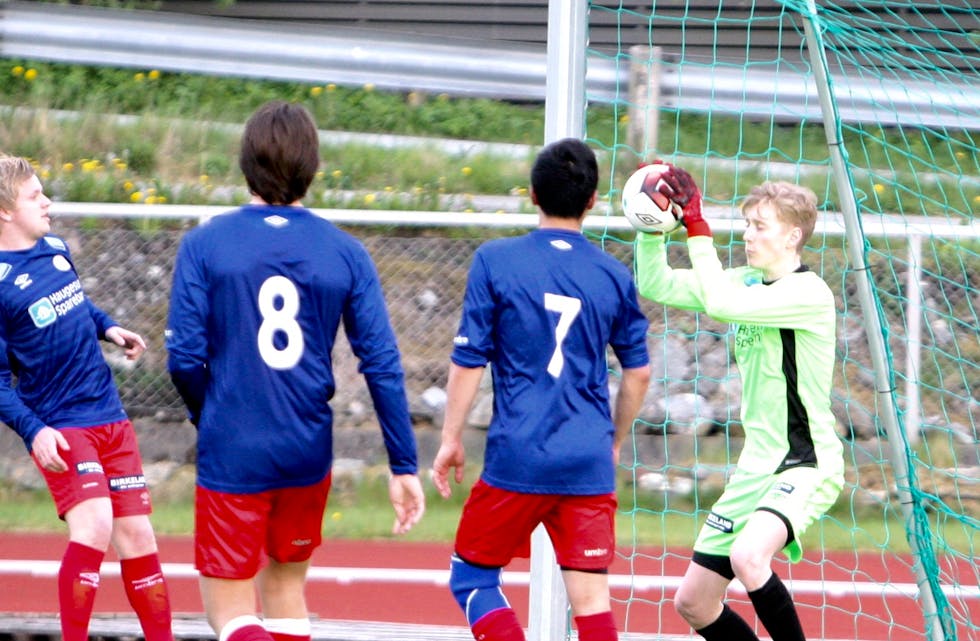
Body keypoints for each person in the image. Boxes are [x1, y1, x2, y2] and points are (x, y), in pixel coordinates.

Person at [165, 100, 426, 641]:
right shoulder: (346, 252)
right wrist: (403, 463)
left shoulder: (205, 243)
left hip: (235, 443)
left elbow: (185, 358)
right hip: (307, 449)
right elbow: (380, 362)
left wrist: (208, 415)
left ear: (245, 163)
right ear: (314, 165)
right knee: (286, 592)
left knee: (229, 610)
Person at [432, 137, 652, 641]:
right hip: (587, 459)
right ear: (593, 200)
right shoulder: (614, 275)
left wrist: (450, 438)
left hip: (518, 456)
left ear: (532, 194)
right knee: (592, 604)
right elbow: (638, 372)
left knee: (472, 578)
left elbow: (469, 359)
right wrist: (613, 441)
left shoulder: (495, 261)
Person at [631, 165, 844, 641]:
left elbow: (722, 305)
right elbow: (658, 286)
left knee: (749, 556)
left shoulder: (808, 293)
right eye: (747, 224)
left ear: (792, 237)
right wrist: (652, 228)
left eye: (760, 227)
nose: (748, 235)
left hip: (805, 462)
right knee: (694, 602)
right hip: (757, 467)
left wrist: (698, 229)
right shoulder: (746, 280)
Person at [0, 154, 174, 641]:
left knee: (138, 535)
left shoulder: (54, 247)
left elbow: (75, 300)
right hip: (62, 424)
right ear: (5, 211)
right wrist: (35, 433)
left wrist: (109, 328)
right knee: (95, 525)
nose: (47, 201)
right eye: (35, 196)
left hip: (109, 414)